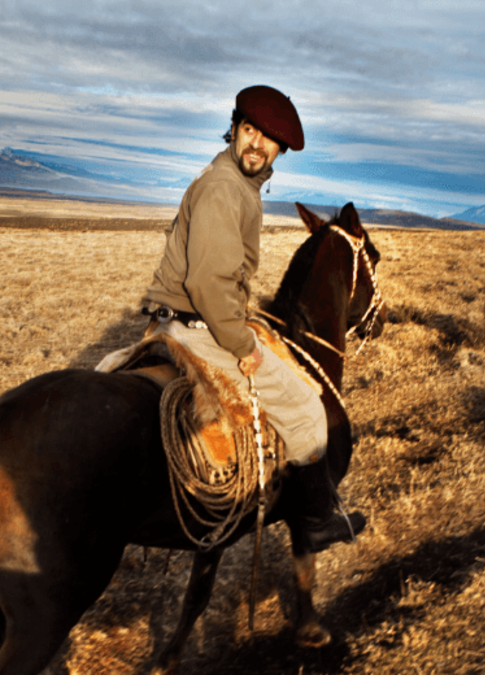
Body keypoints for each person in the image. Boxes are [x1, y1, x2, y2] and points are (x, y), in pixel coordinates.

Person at [141, 85, 364, 553]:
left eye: (268, 140)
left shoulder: (235, 185)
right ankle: (317, 520)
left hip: (178, 320)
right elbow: (209, 285)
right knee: (305, 408)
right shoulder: (226, 189)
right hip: (199, 327)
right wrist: (242, 347)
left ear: (279, 150)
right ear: (234, 130)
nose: (256, 145)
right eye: (248, 131)